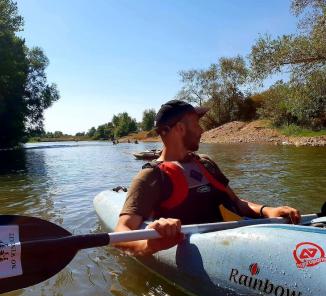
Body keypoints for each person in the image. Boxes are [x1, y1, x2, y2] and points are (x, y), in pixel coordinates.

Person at [114, 100, 300, 255]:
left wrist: (267, 211)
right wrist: (149, 245)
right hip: (206, 252)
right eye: (196, 124)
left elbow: (237, 202)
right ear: (179, 128)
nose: (201, 130)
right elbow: (122, 232)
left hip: (240, 242)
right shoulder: (151, 176)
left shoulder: (205, 163)